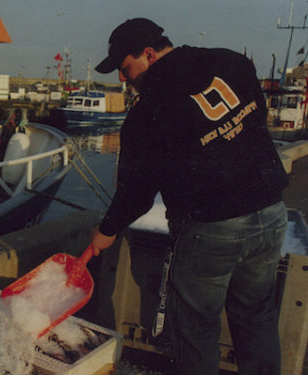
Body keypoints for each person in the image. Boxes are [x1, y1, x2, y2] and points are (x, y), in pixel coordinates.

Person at [89, 18, 288, 374]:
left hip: (211, 228)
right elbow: (257, 118)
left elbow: (137, 193)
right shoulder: (230, 61)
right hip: (271, 214)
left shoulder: (147, 110)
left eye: (125, 68)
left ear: (149, 54)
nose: (123, 79)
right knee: (257, 316)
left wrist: (105, 231)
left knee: (196, 330)